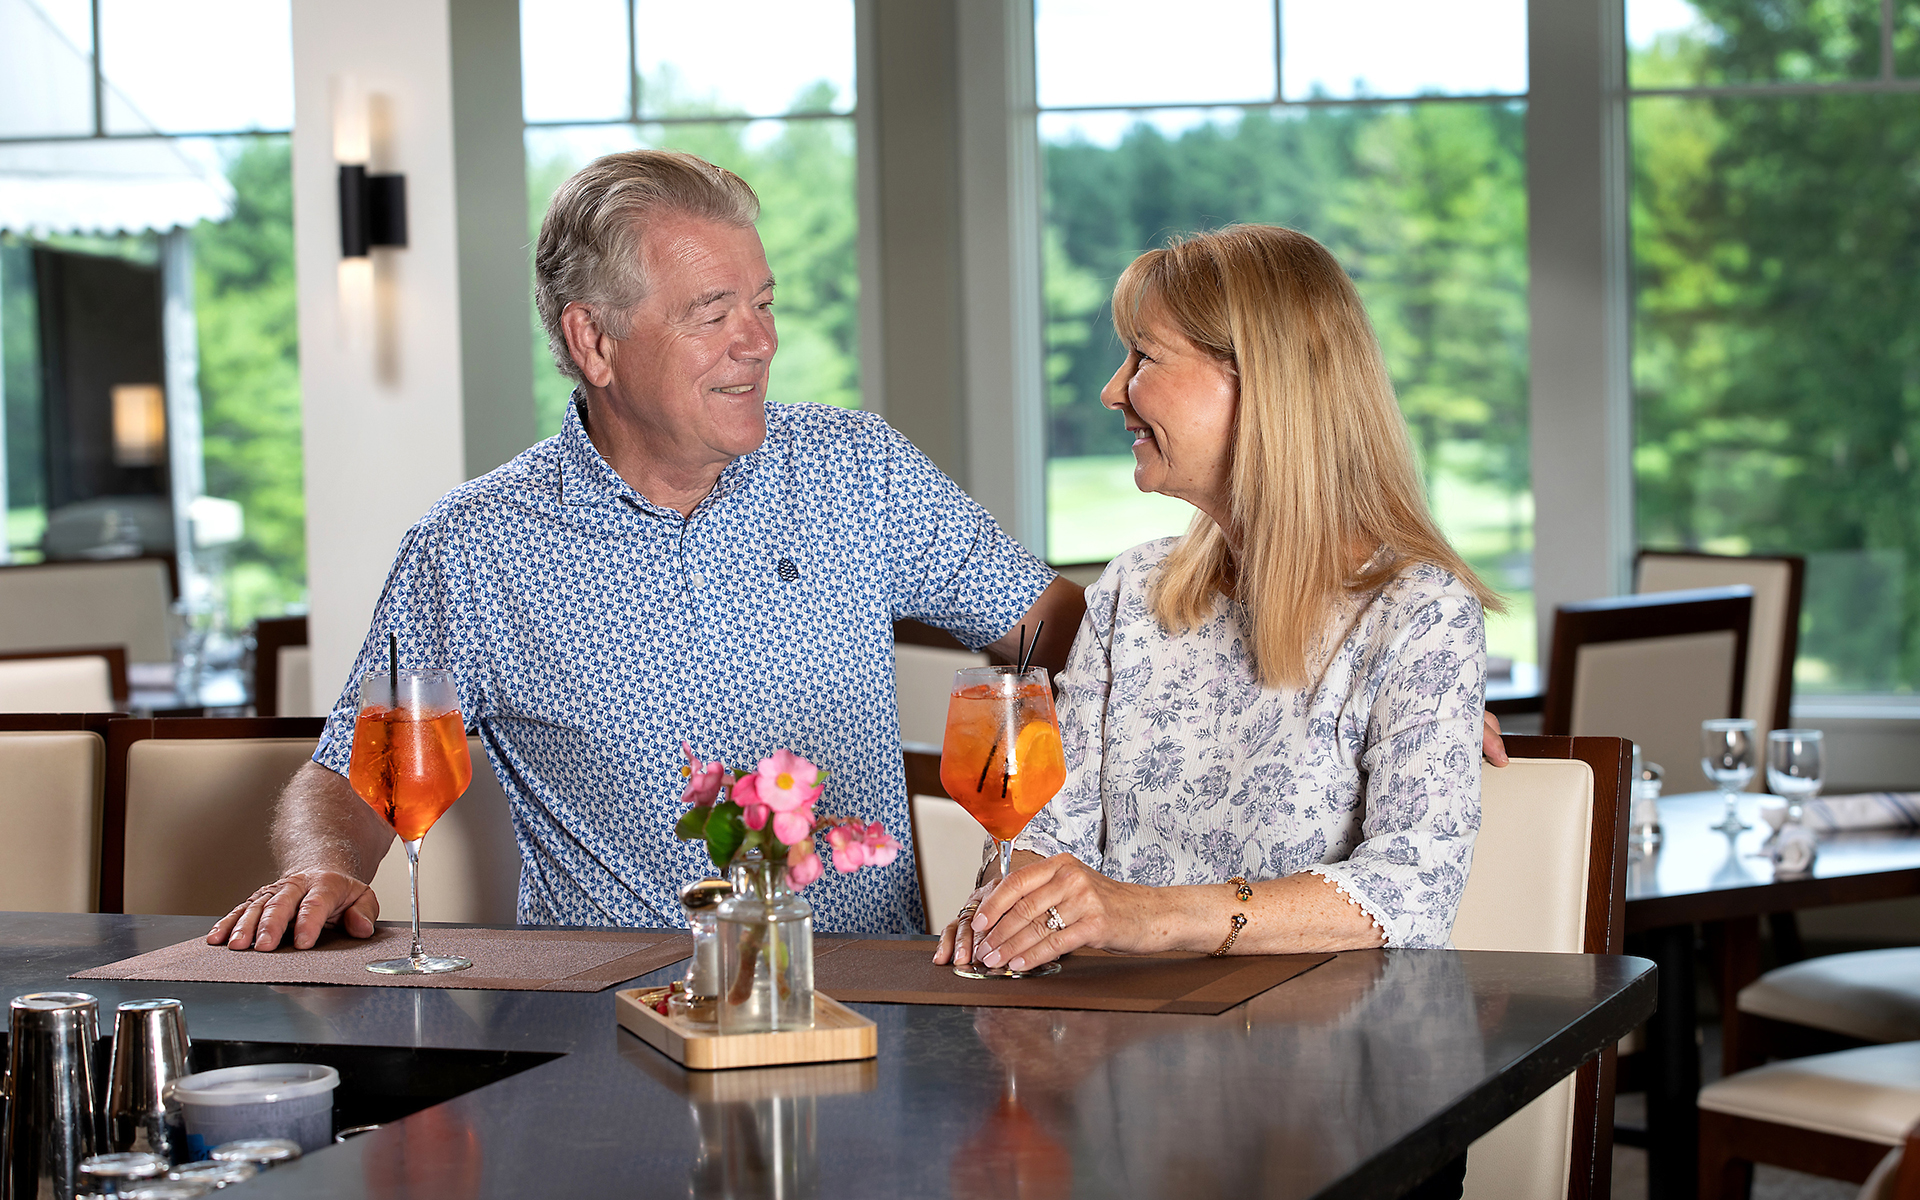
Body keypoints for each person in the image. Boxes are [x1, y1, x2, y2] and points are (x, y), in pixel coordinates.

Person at [211, 150, 1084, 953]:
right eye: (713, 314)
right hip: (610, 1015)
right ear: (594, 341)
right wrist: (321, 867)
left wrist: (1102, 845)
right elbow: (352, 777)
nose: (760, 341)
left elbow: (1062, 637)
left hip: (868, 998)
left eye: (763, 304)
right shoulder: (475, 547)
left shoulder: (860, 469)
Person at [937, 224, 1502, 979]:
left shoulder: (1420, 613)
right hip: (1118, 1035)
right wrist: (1013, 912)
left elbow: (1412, 891)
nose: (1113, 391)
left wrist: (1144, 916)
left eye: (1144, 357)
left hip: (1323, 1039)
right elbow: (1046, 834)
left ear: (1258, 379)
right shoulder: (1132, 591)